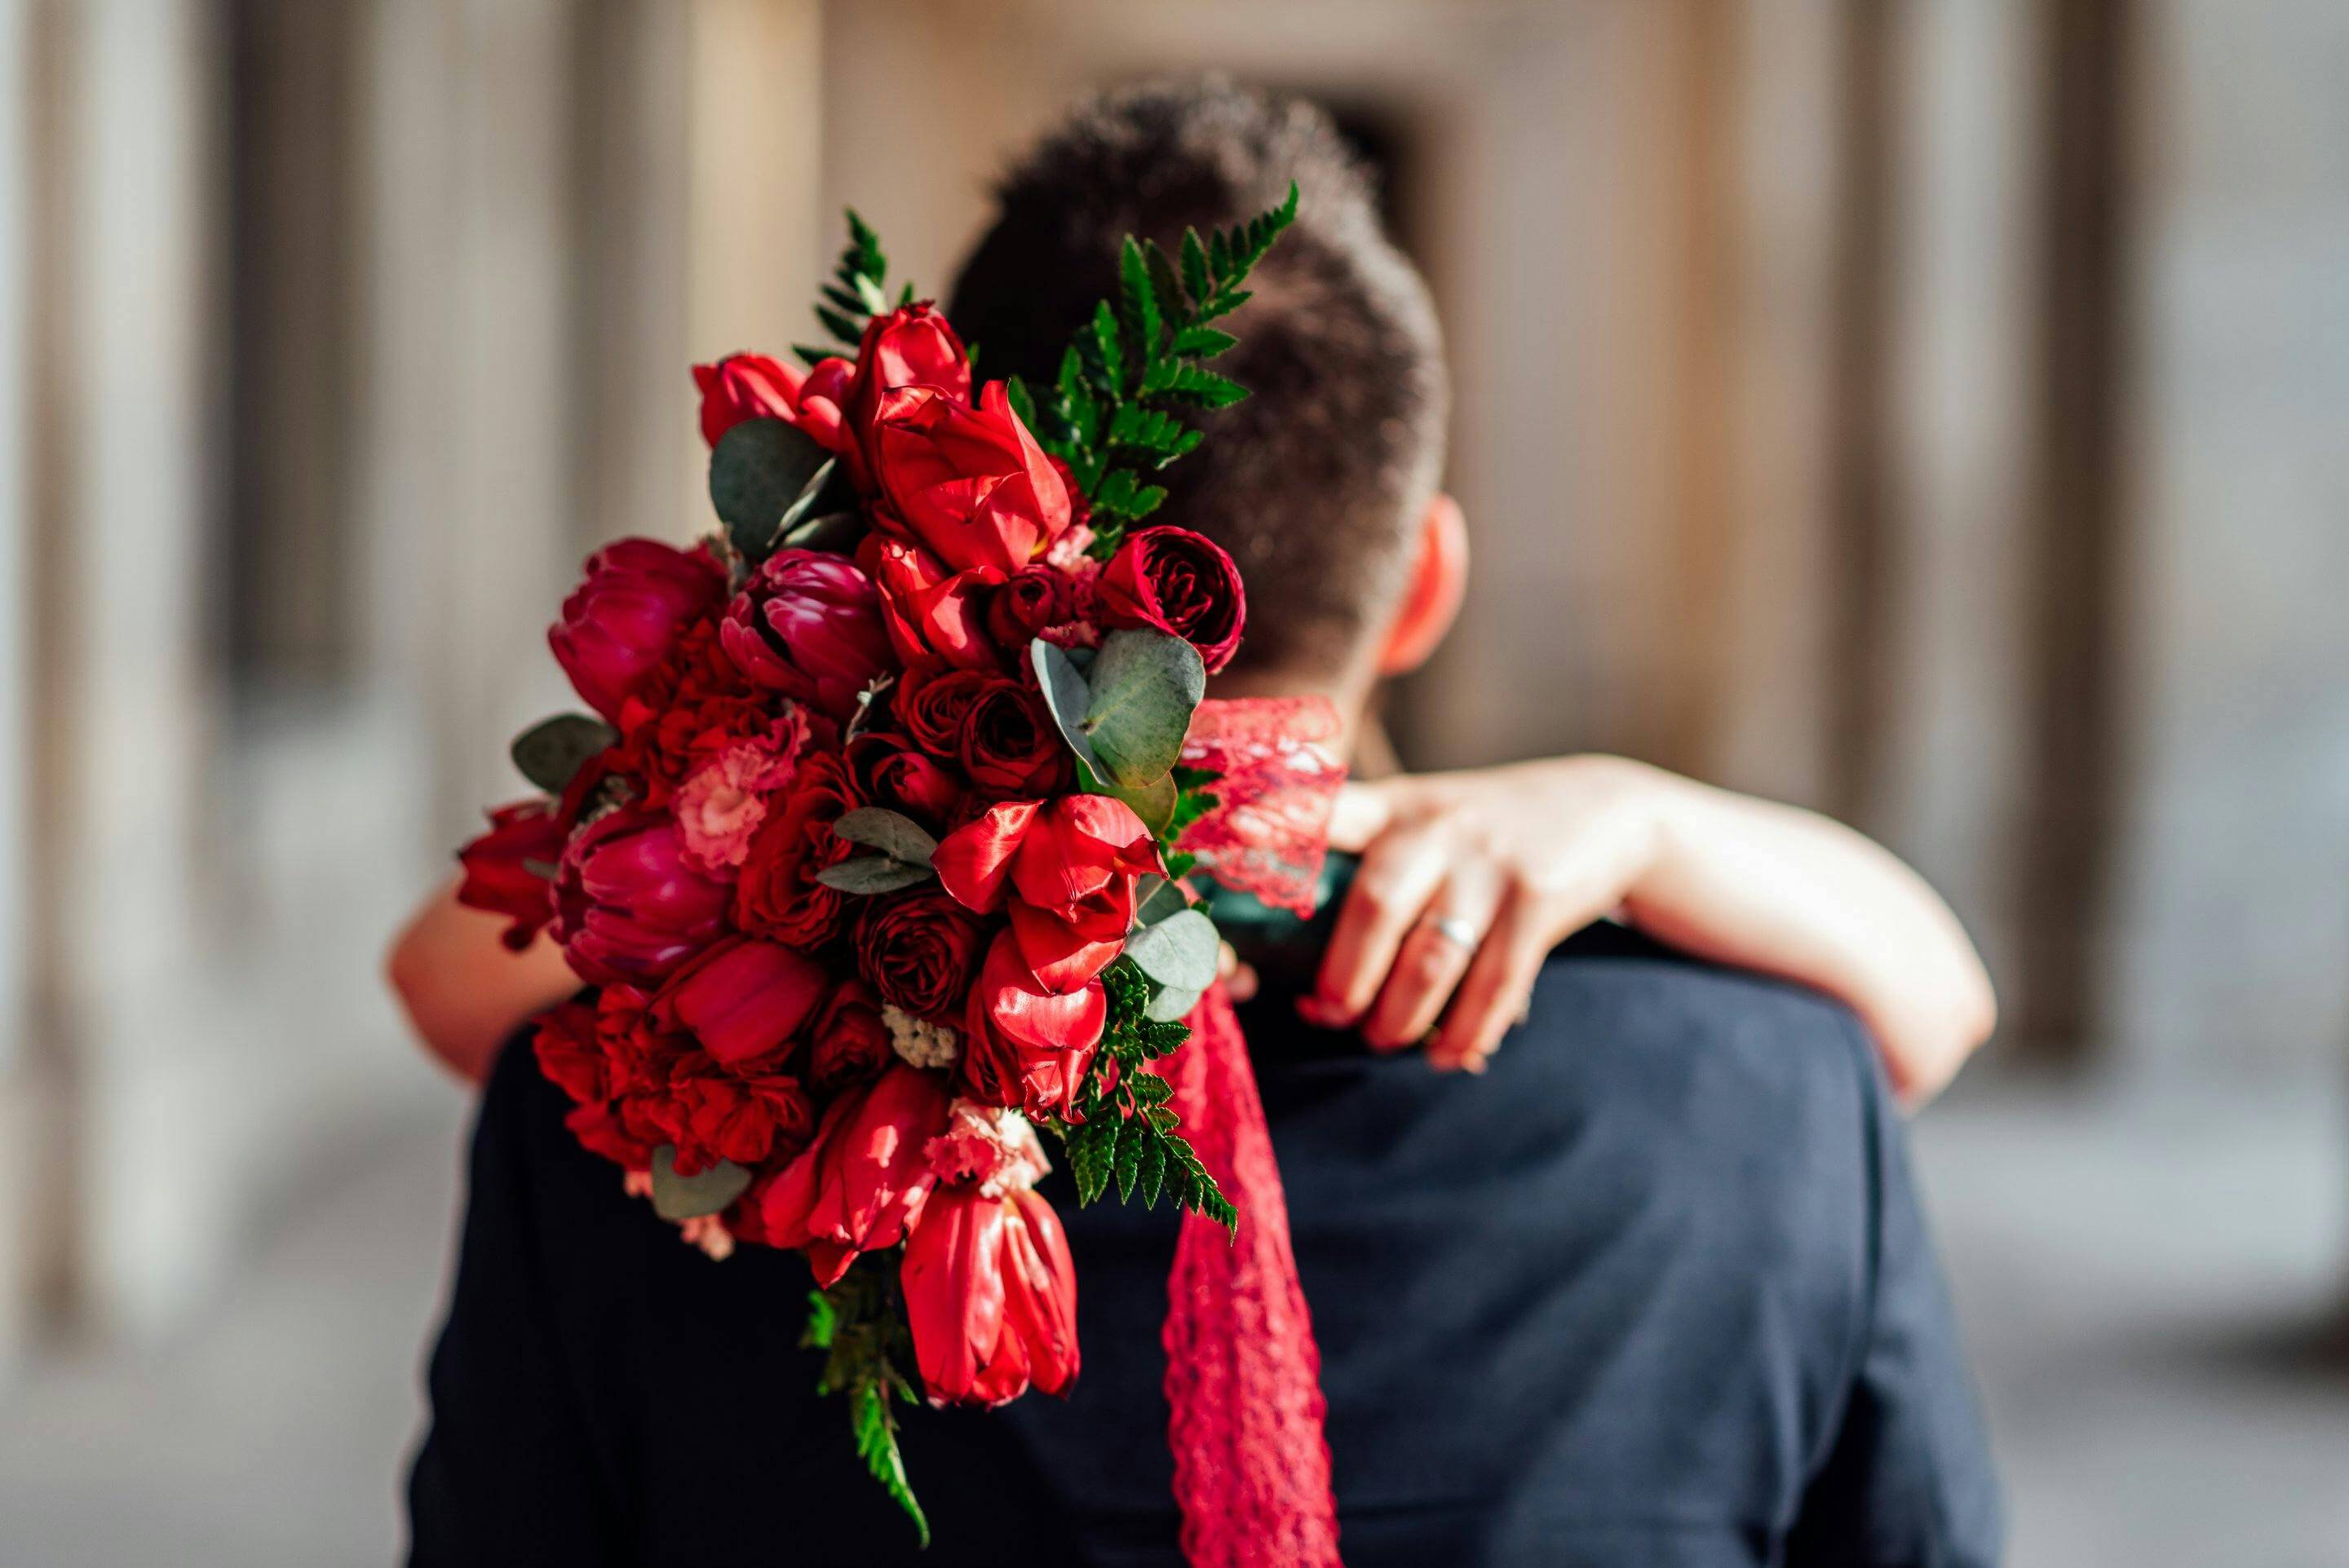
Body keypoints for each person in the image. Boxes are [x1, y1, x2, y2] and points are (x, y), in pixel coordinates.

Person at [398, 77, 2001, 1568]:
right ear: (1428, 580)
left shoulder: (636, 1124)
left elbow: (447, 977)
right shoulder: (1781, 1093)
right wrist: (1646, 814)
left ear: (946, 545)